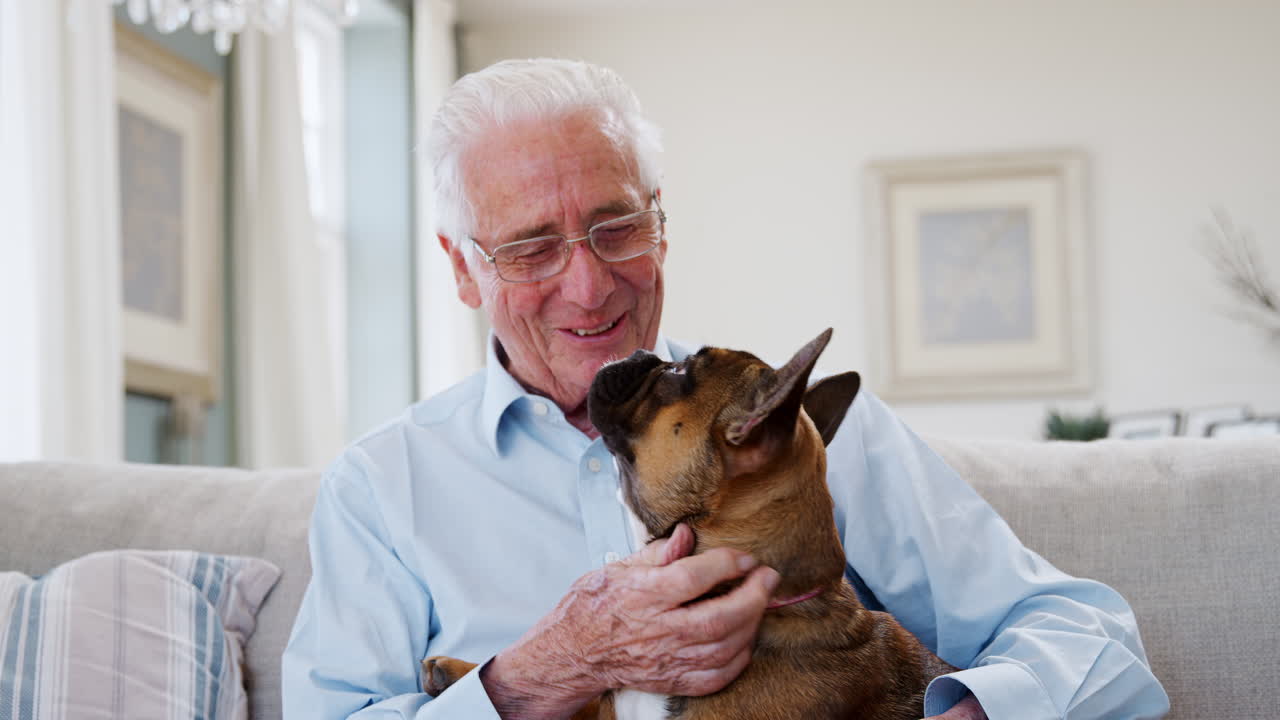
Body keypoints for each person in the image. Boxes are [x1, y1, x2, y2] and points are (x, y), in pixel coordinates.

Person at [281, 59, 1169, 720]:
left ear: (661, 227)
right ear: (464, 270)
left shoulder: (801, 433)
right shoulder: (382, 489)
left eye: (615, 226)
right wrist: (538, 675)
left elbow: (1088, 636)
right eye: (530, 248)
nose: (589, 287)